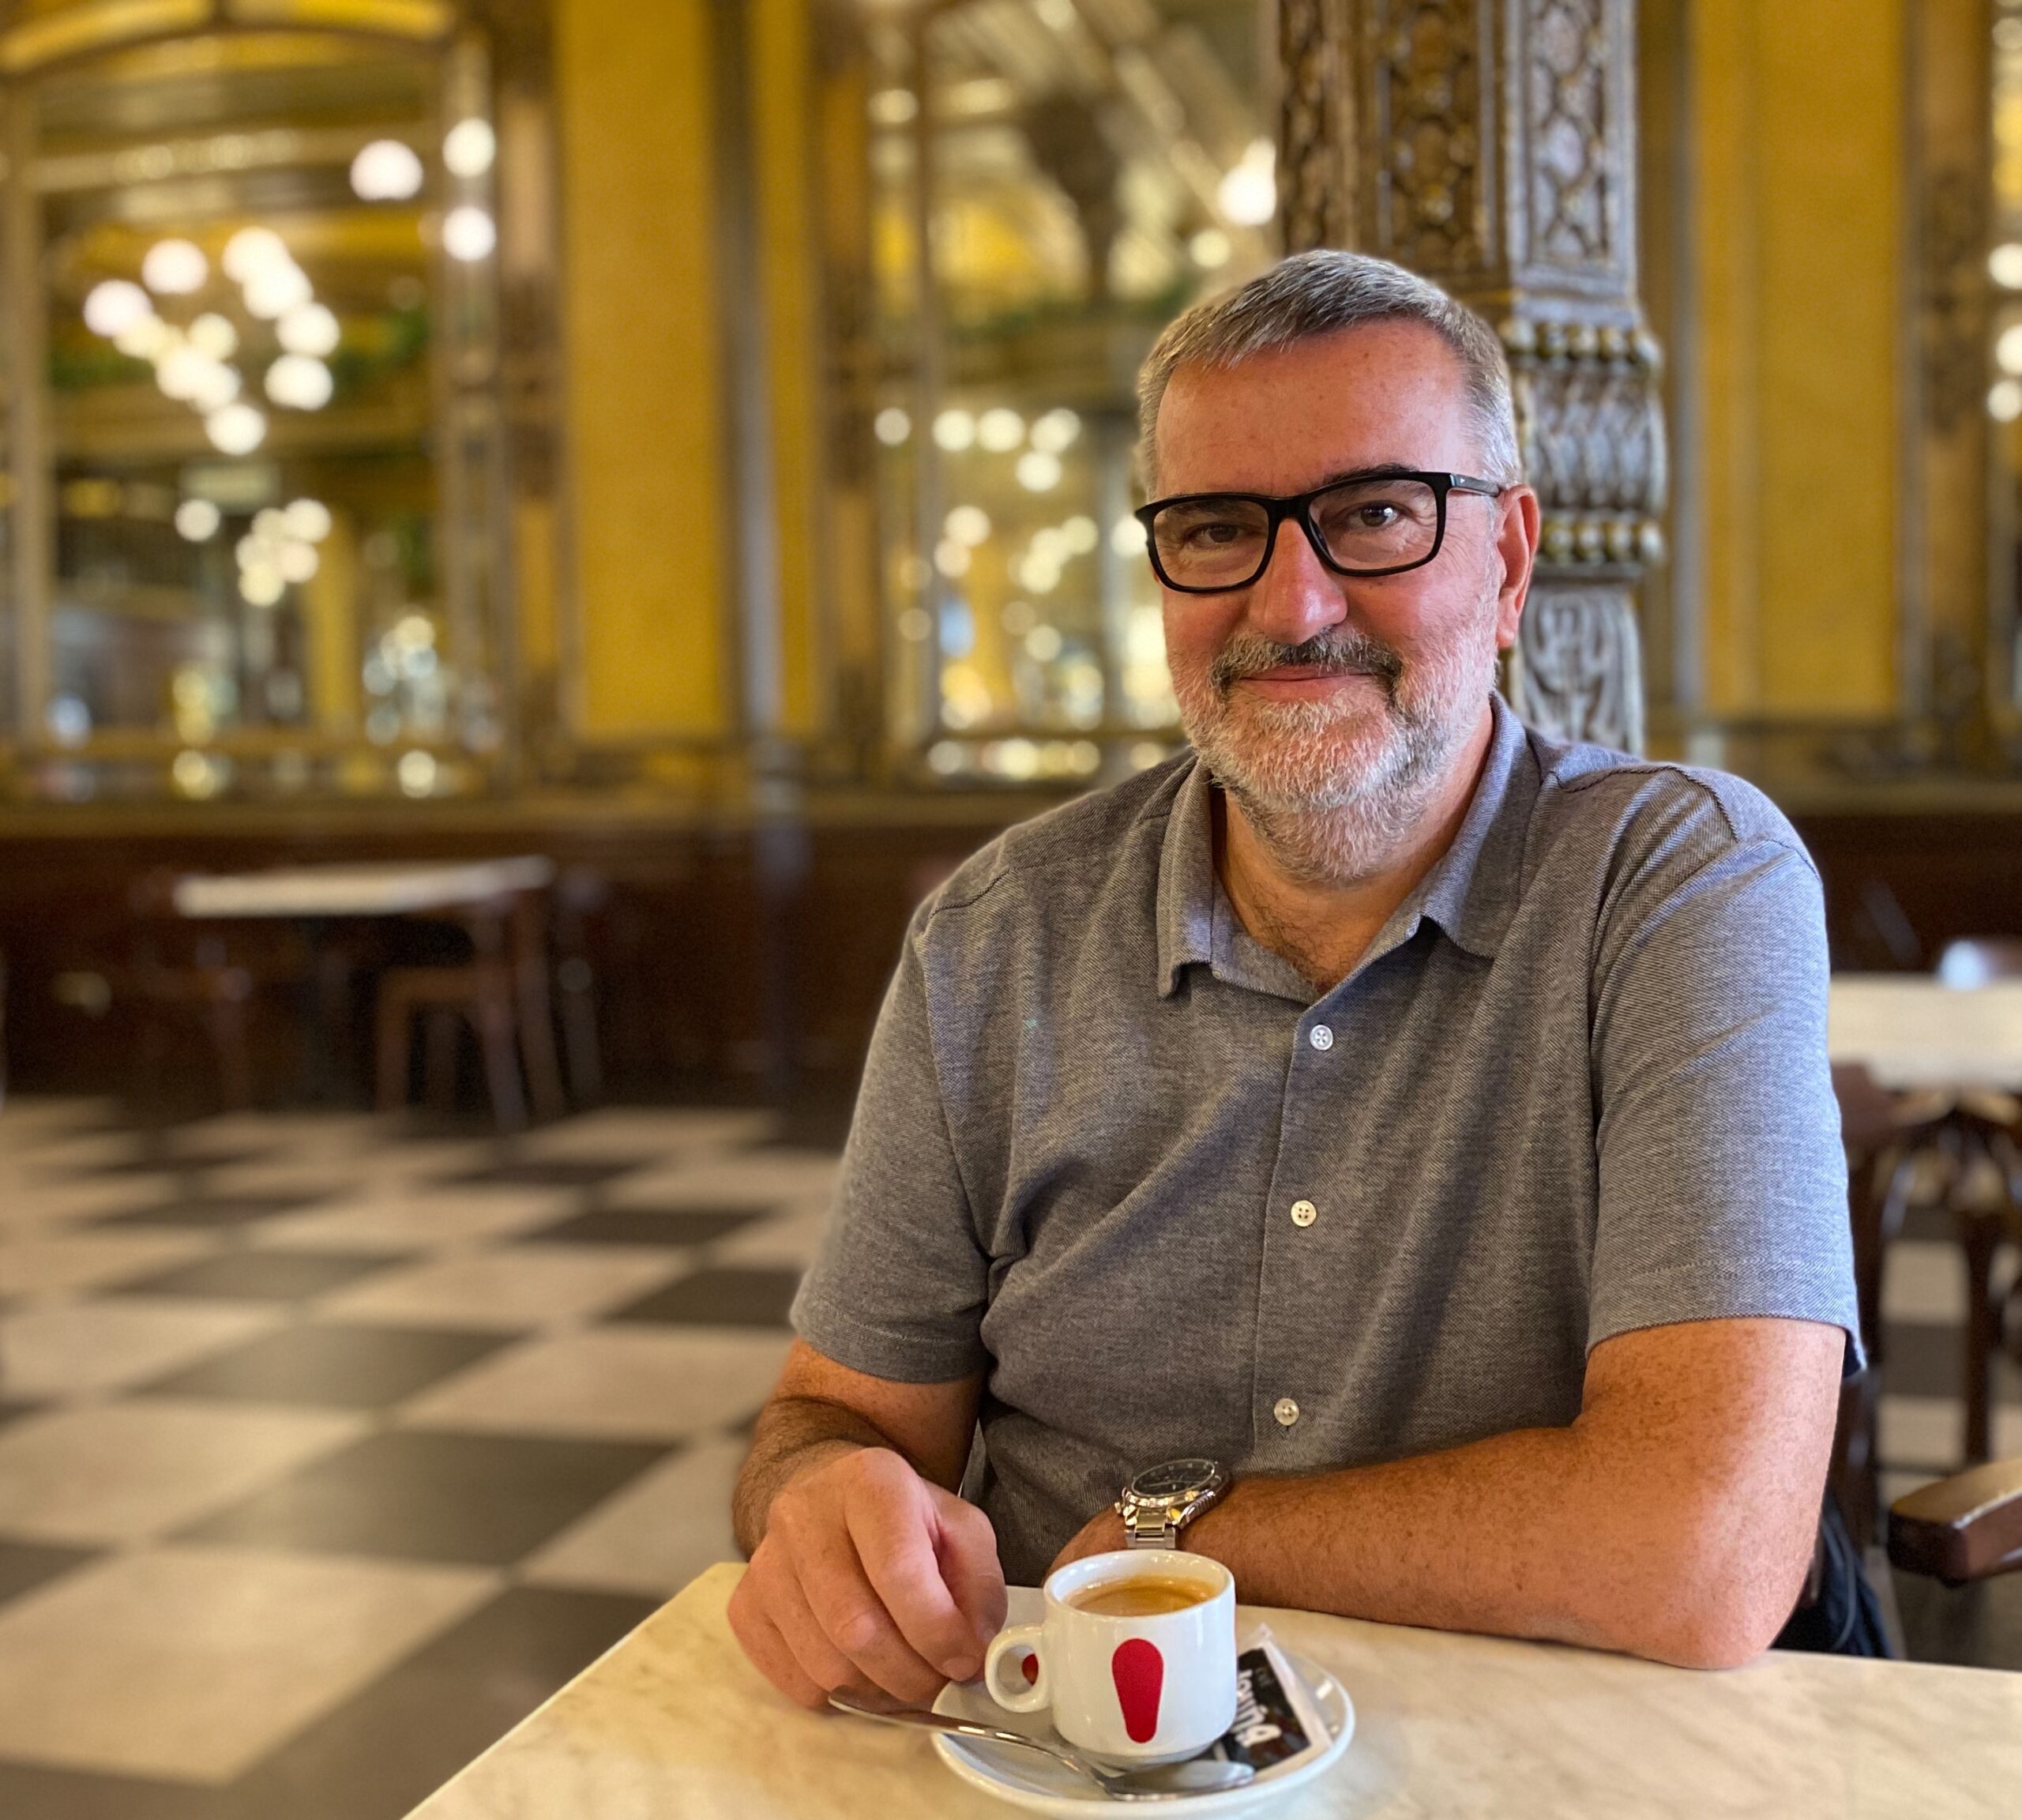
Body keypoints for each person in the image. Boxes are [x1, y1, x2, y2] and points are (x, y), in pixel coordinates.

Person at [727, 250, 1859, 1709]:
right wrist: (818, 1498)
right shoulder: (996, 937)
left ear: (1508, 562)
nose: (1293, 598)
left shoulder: (1675, 881)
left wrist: (1170, 1539)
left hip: (1538, 1749)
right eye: (1215, 528)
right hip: (1072, 1755)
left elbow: (1701, 1551)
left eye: (1375, 514)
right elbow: (832, 1417)